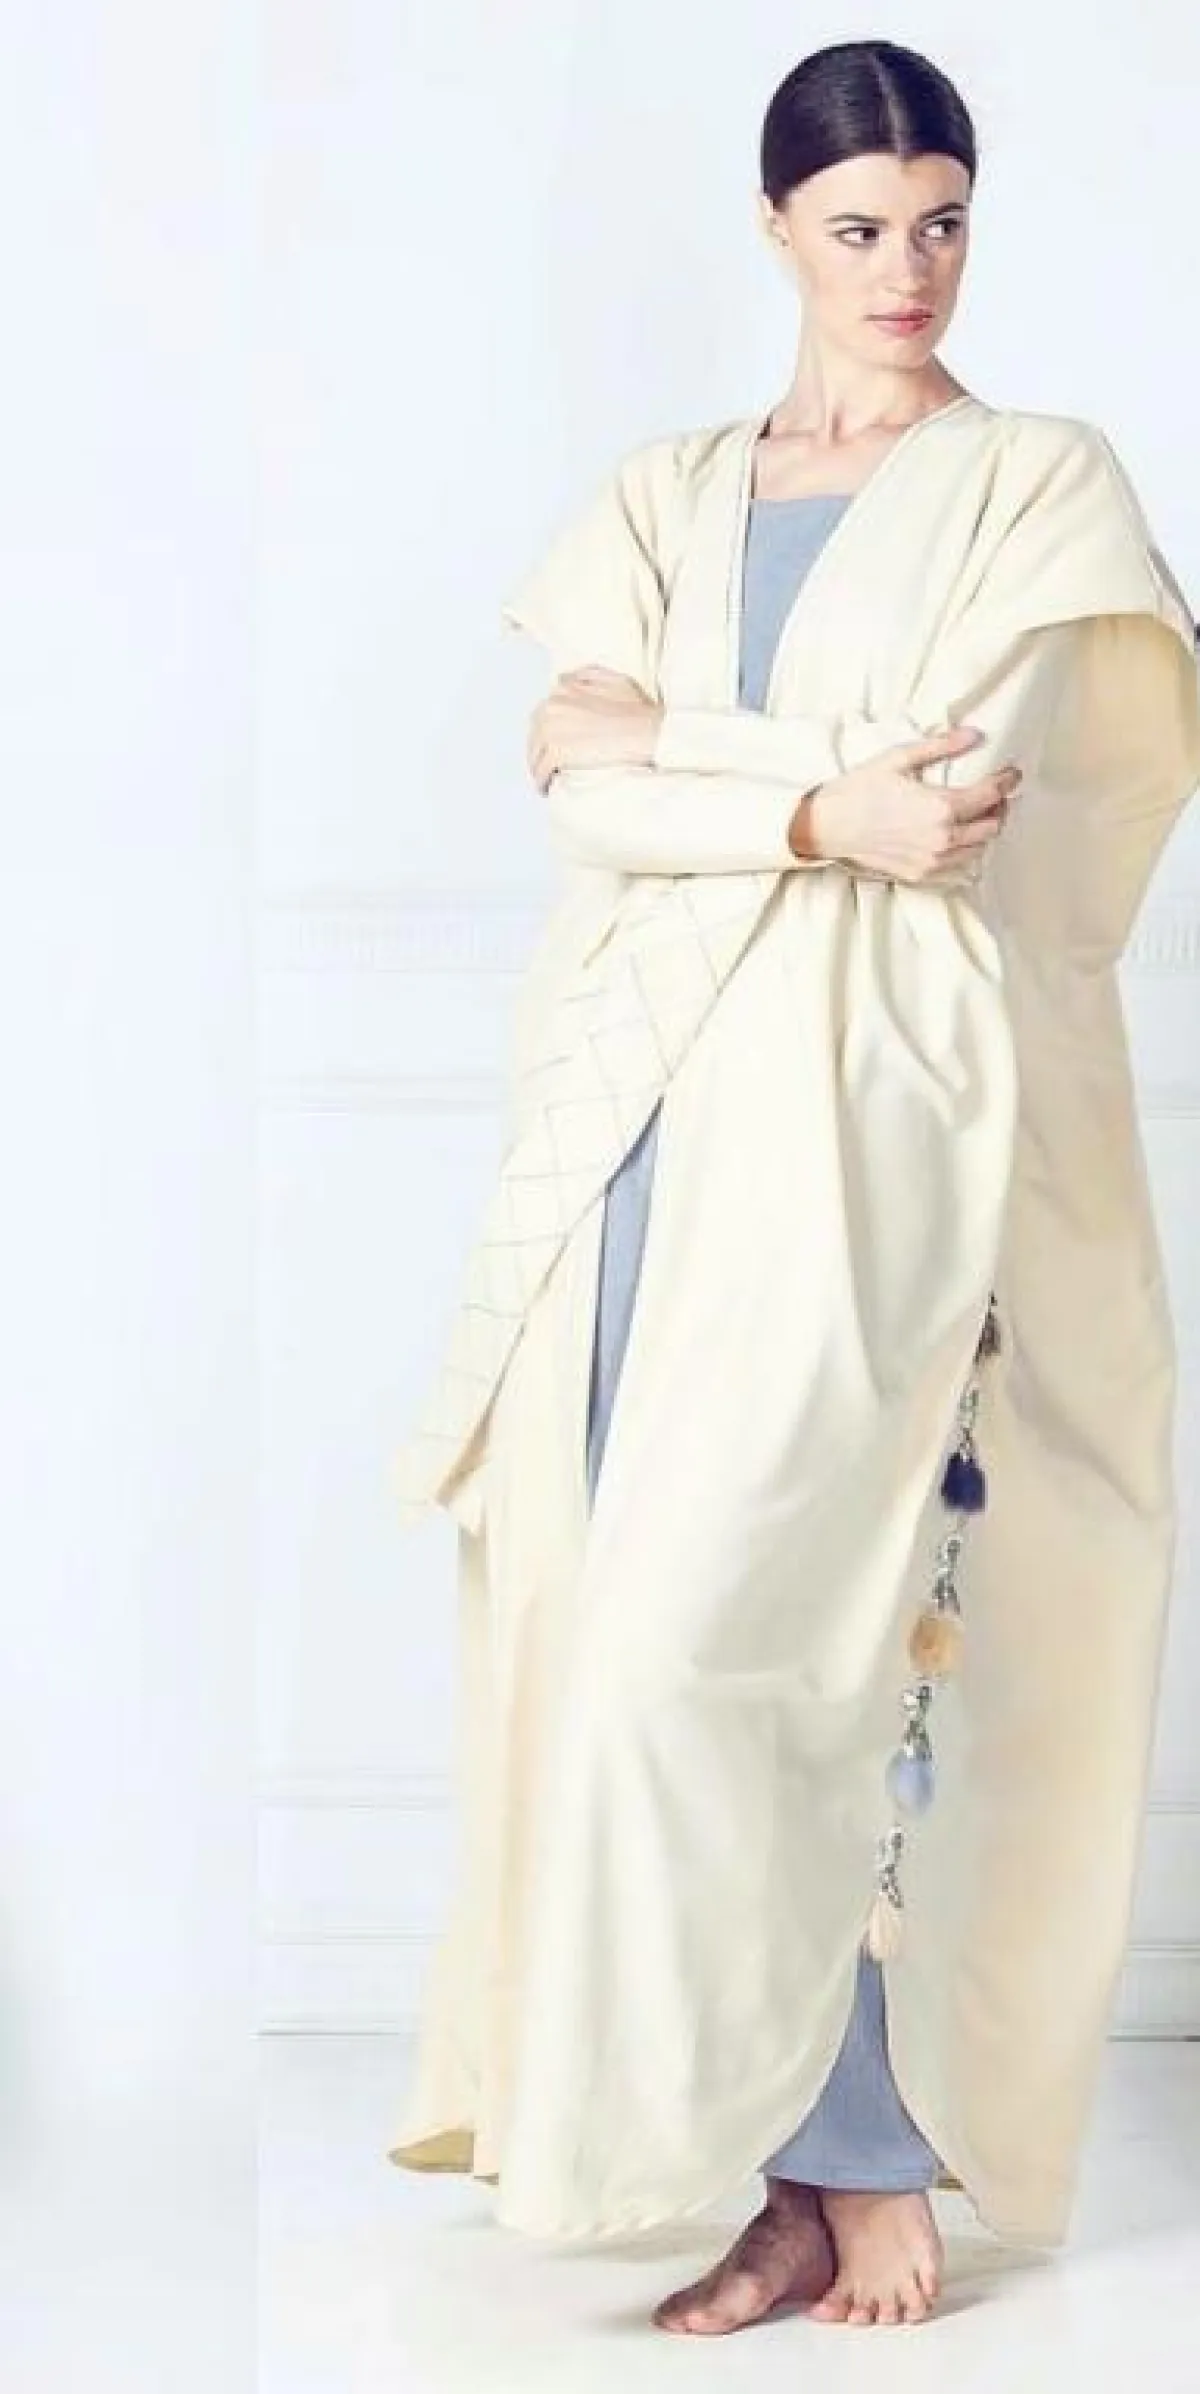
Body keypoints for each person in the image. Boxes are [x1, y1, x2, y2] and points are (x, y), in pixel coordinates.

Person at [387, 39, 1200, 2336]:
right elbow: (579, 795)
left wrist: (687, 757)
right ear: (775, 232)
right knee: (640, 1648)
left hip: (882, 1122)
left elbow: (968, 791)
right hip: (641, 1121)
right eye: (859, 229)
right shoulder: (666, 498)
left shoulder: (1037, 484)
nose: (907, 270)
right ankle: (775, 2170)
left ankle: (870, 2145)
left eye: (943, 222)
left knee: (819, 1617)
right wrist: (817, 802)